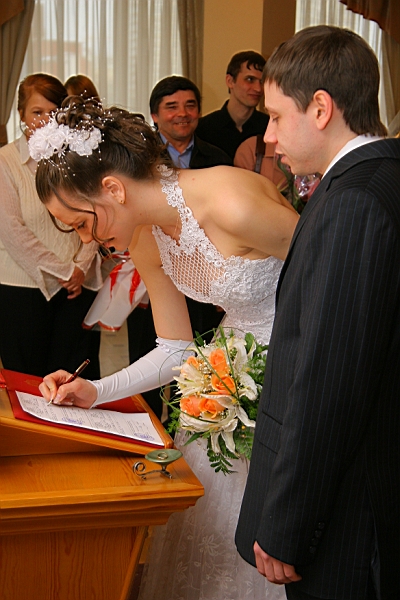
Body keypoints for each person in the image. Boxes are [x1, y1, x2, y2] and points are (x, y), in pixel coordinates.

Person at [32, 96, 299, 599]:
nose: (86, 239)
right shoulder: (146, 237)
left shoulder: (231, 203)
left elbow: (339, 280)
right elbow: (176, 349)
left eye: (82, 223)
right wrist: (96, 391)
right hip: (226, 381)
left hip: (297, 374)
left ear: (113, 189)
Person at [235, 26, 400, 600]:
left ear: (322, 109)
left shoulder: (354, 201)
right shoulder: (373, 179)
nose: (269, 135)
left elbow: (330, 381)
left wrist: (289, 524)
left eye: (277, 116)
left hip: (347, 513)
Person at [128, 75, 231, 417]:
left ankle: (187, 421)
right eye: (171, 107)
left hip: (202, 281)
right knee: (148, 356)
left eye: (190, 105)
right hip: (151, 277)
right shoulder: (139, 161)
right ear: (155, 115)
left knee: (195, 366)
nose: (182, 114)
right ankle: (145, 429)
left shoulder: (216, 158)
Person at [0, 74, 102, 378]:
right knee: (28, 380)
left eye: (53, 111)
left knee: (75, 378)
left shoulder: (79, 156)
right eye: (37, 112)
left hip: (78, 286)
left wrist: (80, 267)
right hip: (22, 289)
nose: (46, 120)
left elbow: (98, 214)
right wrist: (64, 271)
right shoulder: (6, 160)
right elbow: (11, 231)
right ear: (21, 114)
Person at [196, 50, 270, 159]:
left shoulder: (269, 128)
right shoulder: (202, 129)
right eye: (250, 79)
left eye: (262, 82)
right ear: (230, 81)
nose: (258, 89)